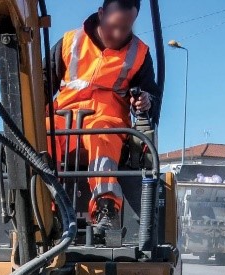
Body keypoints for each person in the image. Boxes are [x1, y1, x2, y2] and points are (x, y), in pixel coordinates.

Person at [47, 0, 159, 233]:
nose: (118, 34)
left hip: (107, 119)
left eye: (126, 28)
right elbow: (41, 85)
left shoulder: (139, 54)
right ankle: (45, 210)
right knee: (43, 132)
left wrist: (145, 101)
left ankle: (106, 209)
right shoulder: (70, 42)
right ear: (101, 14)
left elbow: (151, 97)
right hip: (63, 118)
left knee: (101, 132)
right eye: (114, 26)